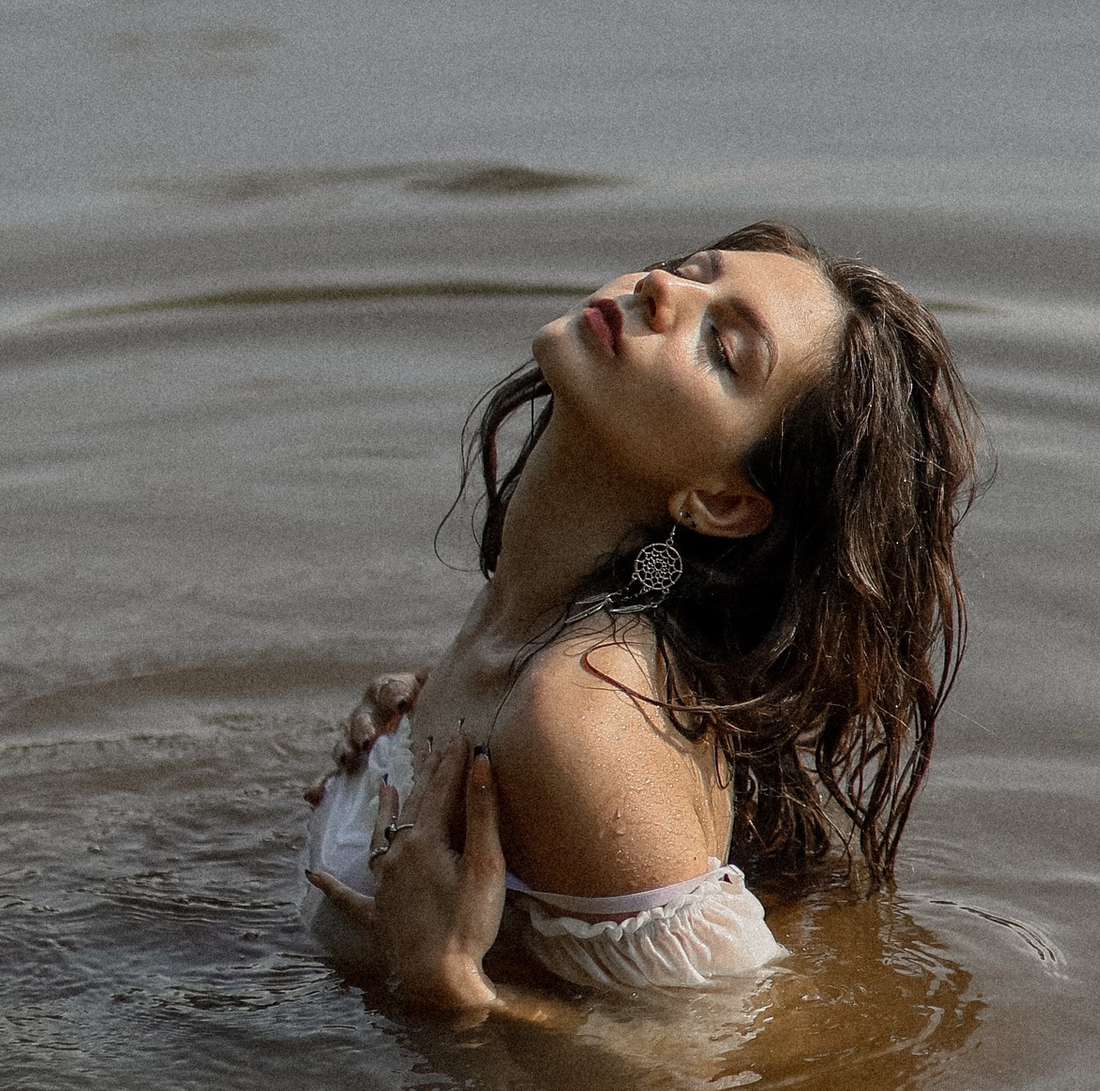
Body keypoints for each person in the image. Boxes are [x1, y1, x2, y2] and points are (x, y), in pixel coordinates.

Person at [303, 222, 982, 1027]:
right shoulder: (535, 632)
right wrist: (410, 726)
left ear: (722, 502)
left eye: (725, 348)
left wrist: (448, 983)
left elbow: (718, 1071)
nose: (663, 291)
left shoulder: (581, 713)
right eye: (690, 271)